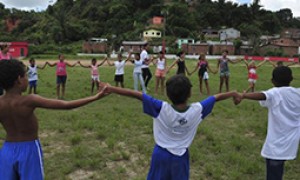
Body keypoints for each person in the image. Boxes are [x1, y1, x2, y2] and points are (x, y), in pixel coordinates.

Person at [100, 74, 240, 180]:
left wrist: (112, 88)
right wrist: (233, 93)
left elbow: (137, 95)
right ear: (190, 93)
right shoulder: (197, 110)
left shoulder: (161, 108)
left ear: (167, 93)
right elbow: (216, 97)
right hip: (181, 158)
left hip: (160, 155)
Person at [0, 59, 108, 180]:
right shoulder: (29, 100)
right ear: (19, 79)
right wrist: (95, 97)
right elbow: (66, 105)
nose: (27, 79)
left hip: (6, 151)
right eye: (26, 75)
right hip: (29, 150)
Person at [237, 66, 300, 180]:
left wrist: (244, 95)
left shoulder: (275, 93)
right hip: (291, 143)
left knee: (273, 175)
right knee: (278, 172)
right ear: (291, 79)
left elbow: (263, 95)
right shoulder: (297, 93)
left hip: (276, 146)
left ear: (272, 81)